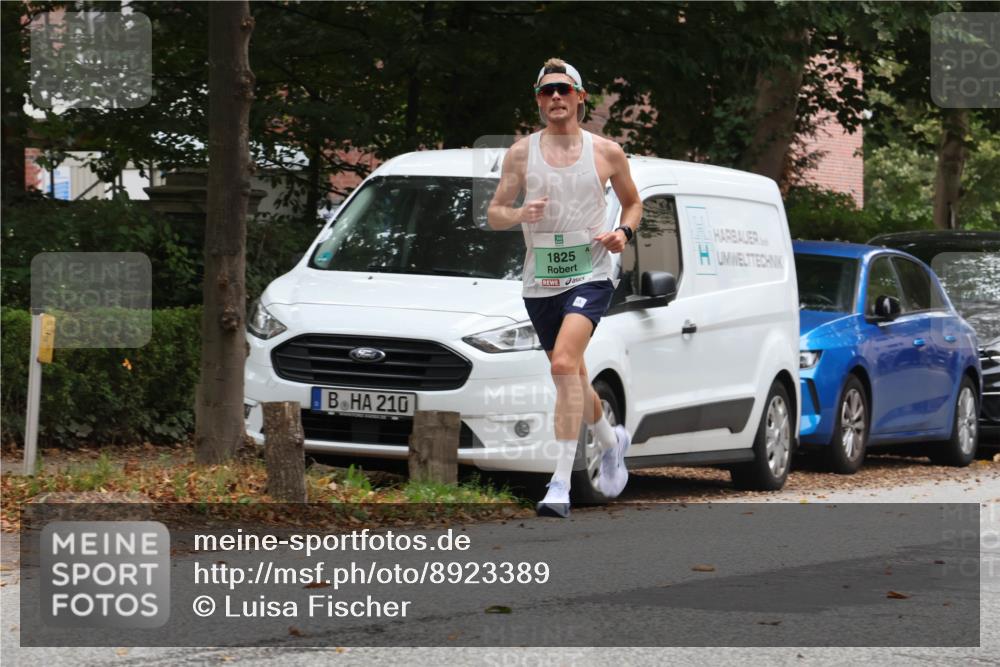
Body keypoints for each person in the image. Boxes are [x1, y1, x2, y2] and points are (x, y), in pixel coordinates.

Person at [487, 58, 643, 517]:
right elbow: (495, 212)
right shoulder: (521, 152)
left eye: (562, 90)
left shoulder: (607, 152)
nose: (554, 98)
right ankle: (611, 439)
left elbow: (634, 205)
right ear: (538, 101)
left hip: (592, 270)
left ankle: (559, 485)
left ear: (579, 97)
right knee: (572, 372)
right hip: (540, 279)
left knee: (561, 364)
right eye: (545, 92)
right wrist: (520, 214)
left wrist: (623, 234)